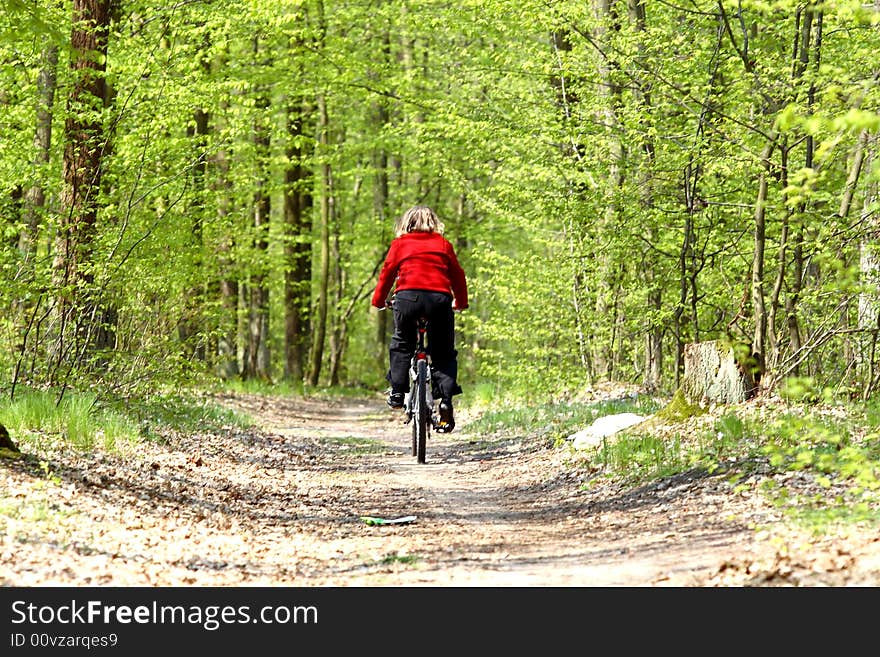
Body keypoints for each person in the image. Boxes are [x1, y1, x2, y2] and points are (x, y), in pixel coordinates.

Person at [371, 205, 469, 433]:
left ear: (406, 223)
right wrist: (460, 302)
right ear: (434, 223)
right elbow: (457, 274)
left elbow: (387, 272)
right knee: (443, 353)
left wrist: (378, 300)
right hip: (439, 299)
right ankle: (444, 401)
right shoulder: (443, 244)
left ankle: (397, 391)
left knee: (402, 344)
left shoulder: (400, 244)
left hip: (407, 298)